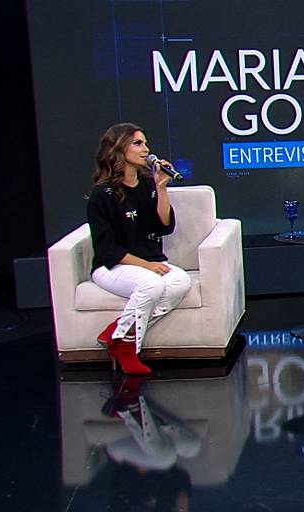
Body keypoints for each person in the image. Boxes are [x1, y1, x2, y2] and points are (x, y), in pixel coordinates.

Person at [87, 123, 191, 374]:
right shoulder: (102, 194)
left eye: (145, 143)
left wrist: (161, 187)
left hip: (149, 261)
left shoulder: (147, 185)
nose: (146, 149)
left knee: (181, 282)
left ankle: (117, 332)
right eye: (138, 143)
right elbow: (107, 248)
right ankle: (127, 348)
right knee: (151, 284)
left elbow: (163, 226)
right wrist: (147, 266)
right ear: (118, 148)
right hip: (113, 266)